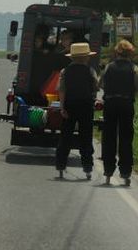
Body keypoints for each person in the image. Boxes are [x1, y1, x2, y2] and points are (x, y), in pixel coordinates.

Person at [100, 39, 138, 186]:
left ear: (117, 52)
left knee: (109, 137)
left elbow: (101, 84)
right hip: (126, 103)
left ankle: (108, 170)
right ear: (130, 53)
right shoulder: (134, 69)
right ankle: (125, 171)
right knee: (126, 138)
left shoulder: (109, 67)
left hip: (111, 103)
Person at [55, 42, 99, 180]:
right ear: (86, 57)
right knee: (86, 137)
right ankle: (87, 167)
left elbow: (62, 90)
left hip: (70, 106)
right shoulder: (90, 71)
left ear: (72, 58)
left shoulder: (65, 71)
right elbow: (95, 88)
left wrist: (62, 107)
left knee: (65, 136)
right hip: (86, 107)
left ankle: (61, 165)